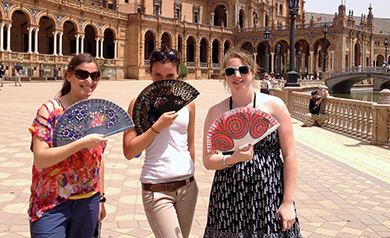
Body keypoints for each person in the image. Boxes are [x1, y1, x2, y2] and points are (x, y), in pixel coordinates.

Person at [202, 49, 301, 237]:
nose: (237, 75)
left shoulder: (275, 106)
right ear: (225, 76)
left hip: (270, 193)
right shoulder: (216, 112)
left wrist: (287, 202)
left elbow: (289, 155)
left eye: (243, 70)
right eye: (230, 72)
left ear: (253, 73)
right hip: (229, 198)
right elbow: (207, 160)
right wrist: (232, 158)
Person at [28, 53, 107, 238]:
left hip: (88, 202)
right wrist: (81, 143)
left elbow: (99, 161)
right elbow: (40, 159)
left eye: (95, 76)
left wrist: (101, 197)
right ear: (69, 76)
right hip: (51, 203)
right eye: (82, 75)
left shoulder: (98, 114)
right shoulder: (49, 111)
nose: (89, 81)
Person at [123, 46, 198, 238]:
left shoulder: (188, 104)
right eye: (158, 75)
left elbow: (190, 145)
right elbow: (129, 151)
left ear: (178, 74)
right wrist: (156, 126)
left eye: (170, 76)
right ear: (149, 73)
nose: (163, 81)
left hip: (187, 187)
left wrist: (190, 172)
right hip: (156, 188)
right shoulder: (137, 104)